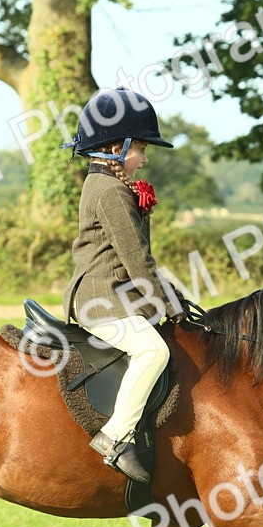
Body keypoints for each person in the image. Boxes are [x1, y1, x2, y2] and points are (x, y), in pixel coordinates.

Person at [61, 88, 182, 484]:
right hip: (102, 301)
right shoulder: (112, 191)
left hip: (110, 296)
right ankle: (115, 437)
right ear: (118, 146)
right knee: (152, 352)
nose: (144, 158)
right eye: (141, 148)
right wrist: (169, 305)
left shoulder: (103, 184)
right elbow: (138, 262)